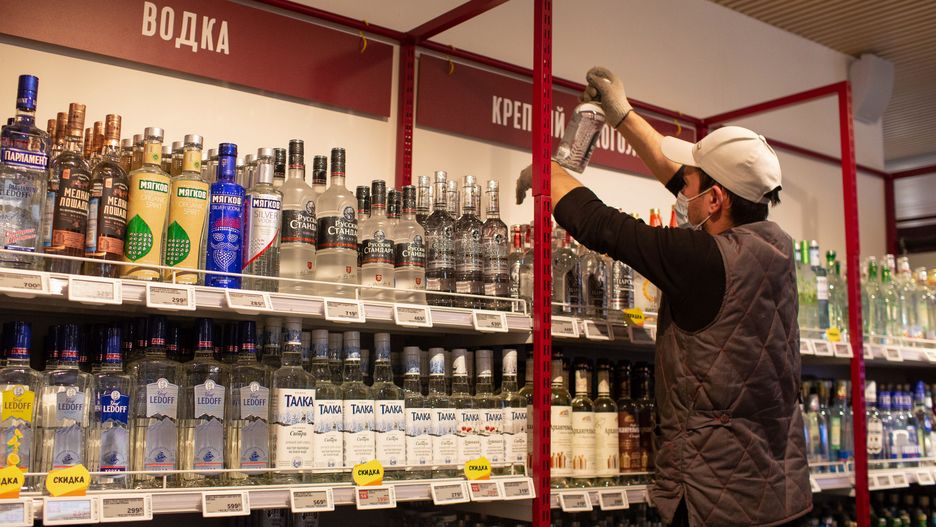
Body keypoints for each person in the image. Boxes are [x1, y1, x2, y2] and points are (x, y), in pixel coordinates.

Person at [517, 67, 811, 527]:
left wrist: (548, 173)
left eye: (691, 186)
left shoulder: (704, 260)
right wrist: (622, 115)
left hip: (716, 502)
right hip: (776, 491)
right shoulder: (775, 246)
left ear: (715, 200)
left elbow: (604, 226)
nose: (680, 192)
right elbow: (684, 179)